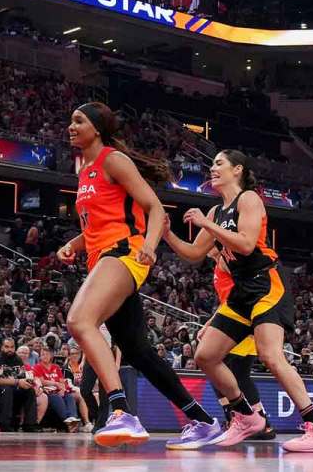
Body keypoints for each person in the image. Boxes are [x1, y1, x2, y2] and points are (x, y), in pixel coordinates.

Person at [57, 102, 218, 447]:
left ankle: (121, 411)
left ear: (97, 129)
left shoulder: (113, 160)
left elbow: (155, 208)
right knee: (138, 352)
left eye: (78, 121)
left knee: (79, 321)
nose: (71, 126)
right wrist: (72, 245)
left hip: (124, 253)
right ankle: (202, 420)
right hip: (103, 258)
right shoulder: (84, 170)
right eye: (70, 121)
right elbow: (97, 227)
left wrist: (149, 244)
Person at [161, 149, 313, 451]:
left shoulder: (249, 199)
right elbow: (194, 254)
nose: (212, 168)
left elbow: (247, 244)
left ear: (237, 169)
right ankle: (247, 416)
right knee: (205, 356)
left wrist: (207, 225)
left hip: (266, 283)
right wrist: (167, 235)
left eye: (219, 163)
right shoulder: (215, 212)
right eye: (212, 164)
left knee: (271, 355)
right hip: (241, 291)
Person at [32, 346, 80, 432]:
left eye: (47, 354)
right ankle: (69, 422)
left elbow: (62, 381)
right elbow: (42, 381)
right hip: (47, 391)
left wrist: (62, 390)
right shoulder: (37, 367)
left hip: (58, 389)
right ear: (40, 356)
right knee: (56, 397)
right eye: (43, 354)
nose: (45, 356)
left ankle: (73, 418)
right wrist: (55, 383)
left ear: (51, 356)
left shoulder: (56, 367)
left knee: (69, 396)